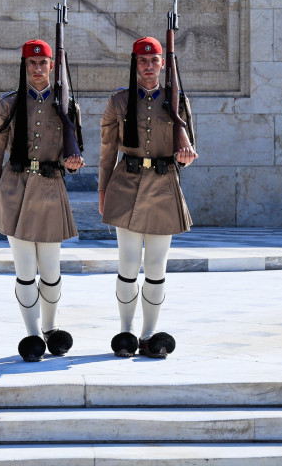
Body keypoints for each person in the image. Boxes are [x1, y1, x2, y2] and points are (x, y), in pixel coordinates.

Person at [0, 39, 84, 362]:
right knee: (25, 270)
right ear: (25, 66)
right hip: (15, 190)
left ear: (52, 66)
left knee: (51, 271)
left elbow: (74, 153)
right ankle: (32, 335)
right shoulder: (8, 105)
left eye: (43, 63)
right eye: (32, 63)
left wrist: (73, 163)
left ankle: (50, 328)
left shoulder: (67, 105)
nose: (38, 69)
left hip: (51, 189)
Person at [98, 36, 198, 359]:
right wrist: (102, 191)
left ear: (163, 64)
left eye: (154, 60)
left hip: (163, 186)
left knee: (156, 265)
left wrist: (184, 157)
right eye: (142, 60)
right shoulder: (119, 101)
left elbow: (188, 149)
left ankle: (149, 334)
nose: (148, 66)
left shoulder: (177, 101)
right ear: (134, 64)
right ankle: (126, 332)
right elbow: (107, 152)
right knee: (128, 263)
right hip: (125, 185)